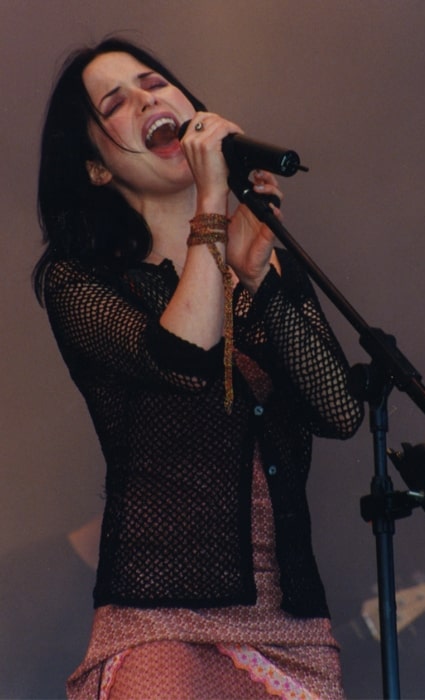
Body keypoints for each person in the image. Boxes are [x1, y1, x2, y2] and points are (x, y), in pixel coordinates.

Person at [34, 36, 363, 700]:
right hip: (161, 626)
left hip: (293, 629)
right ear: (97, 168)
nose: (147, 97)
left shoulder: (258, 257)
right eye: (115, 101)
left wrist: (262, 279)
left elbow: (340, 410)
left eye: (154, 81)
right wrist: (211, 211)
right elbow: (183, 357)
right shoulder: (82, 282)